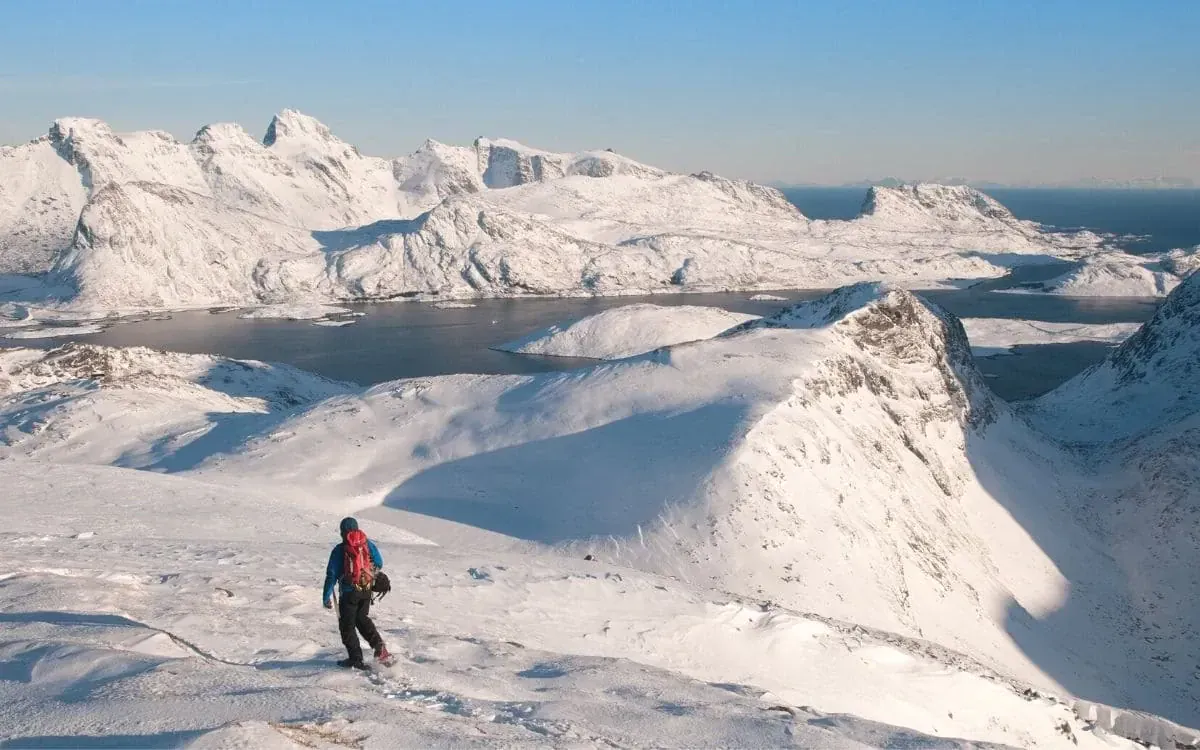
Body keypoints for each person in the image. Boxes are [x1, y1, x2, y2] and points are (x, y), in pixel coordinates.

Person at [323, 517, 391, 669]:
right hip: (366, 589)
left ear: (342, 532)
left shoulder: (340, 550)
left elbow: (331, 575)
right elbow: (379, 562)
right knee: (362, 619)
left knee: (347, 626)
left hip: (349, 593)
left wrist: (326, 596)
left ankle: (355, 659)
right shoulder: (367, 544)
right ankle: (380, 648)